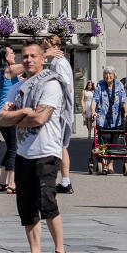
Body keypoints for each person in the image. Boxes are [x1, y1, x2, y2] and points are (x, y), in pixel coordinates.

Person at [0, 39, 69, 253]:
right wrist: (23, 112)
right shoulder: (17, 87)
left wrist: (15, 117)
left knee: (47, 203)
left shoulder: (51, 84)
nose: (28, 60)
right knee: (27, 208)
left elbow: (40, 118)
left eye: (33, 56)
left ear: (43, 58)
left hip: (46, 152)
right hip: (23, 152)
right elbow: (1, 118)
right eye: (25, 56)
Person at [41, 33, 75, 194]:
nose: (44, 51)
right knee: (61, 145)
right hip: (61, 109)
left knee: (58, 145)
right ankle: (65, 181)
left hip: (60, 110)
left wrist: (55, 105)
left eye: (46, 48)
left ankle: (62, 181)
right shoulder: (57, 62)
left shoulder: (59, 63)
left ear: (55, 48)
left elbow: (66, 86)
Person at [0, 46, 22, 193]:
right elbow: (26, 66)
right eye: (11, 53)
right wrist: (43, 54)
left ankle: (1, 182)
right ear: (5, 57)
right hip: (7, 113)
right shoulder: (7, 70)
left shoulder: (2, 72)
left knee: (10, 146)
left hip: (1, 114)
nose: (14, 55)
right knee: (14, 148)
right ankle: (12, 183)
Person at [91, 65, 127, 173]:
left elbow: (124, 100)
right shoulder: (100, 84)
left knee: (114, 141)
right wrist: (93, 111)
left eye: (110, 74)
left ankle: (111, 164)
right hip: (102, 119)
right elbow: (95, 99)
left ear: (114, 75)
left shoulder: (119, 85)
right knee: (103, 141)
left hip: (116, 119)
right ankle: (104, 164)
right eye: (106, 74)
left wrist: (126, 112)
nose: (108, 76)